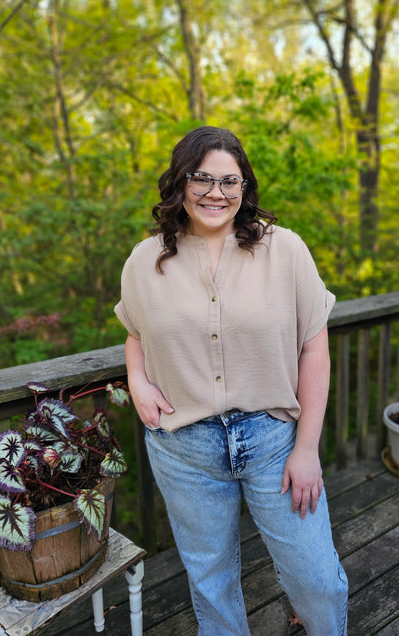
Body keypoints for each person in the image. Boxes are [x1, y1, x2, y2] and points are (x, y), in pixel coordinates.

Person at [115, 126, 349, 635]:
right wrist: (137, 378)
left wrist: (307, 448)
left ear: (245, 188)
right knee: (212, 584)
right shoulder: (144, 259)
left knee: (317, 581)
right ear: (180, 183)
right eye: (202, 178)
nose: (216, 193)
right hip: (183, 449)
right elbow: (135, 330)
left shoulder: (284, 251)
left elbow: (314, 345)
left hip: (274, 441)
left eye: (230, 181)